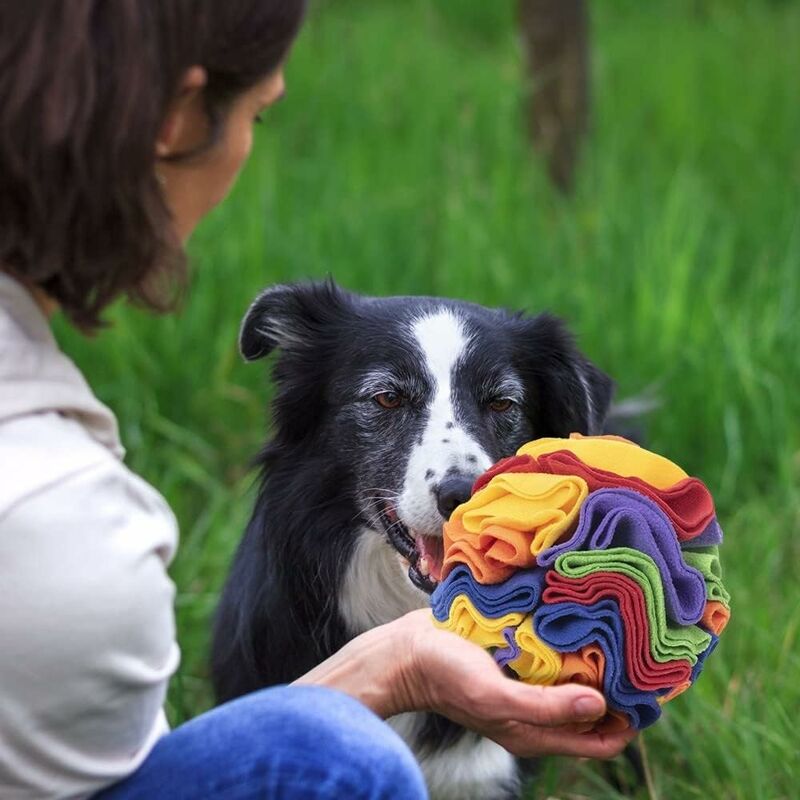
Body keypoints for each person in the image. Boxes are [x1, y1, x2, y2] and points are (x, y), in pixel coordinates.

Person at [0, 2, 636, 798]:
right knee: (343, 762)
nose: (465, 472)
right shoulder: (60, 527)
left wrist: (399, 664)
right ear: (180, 115)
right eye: (261, 114)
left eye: (498, 410)